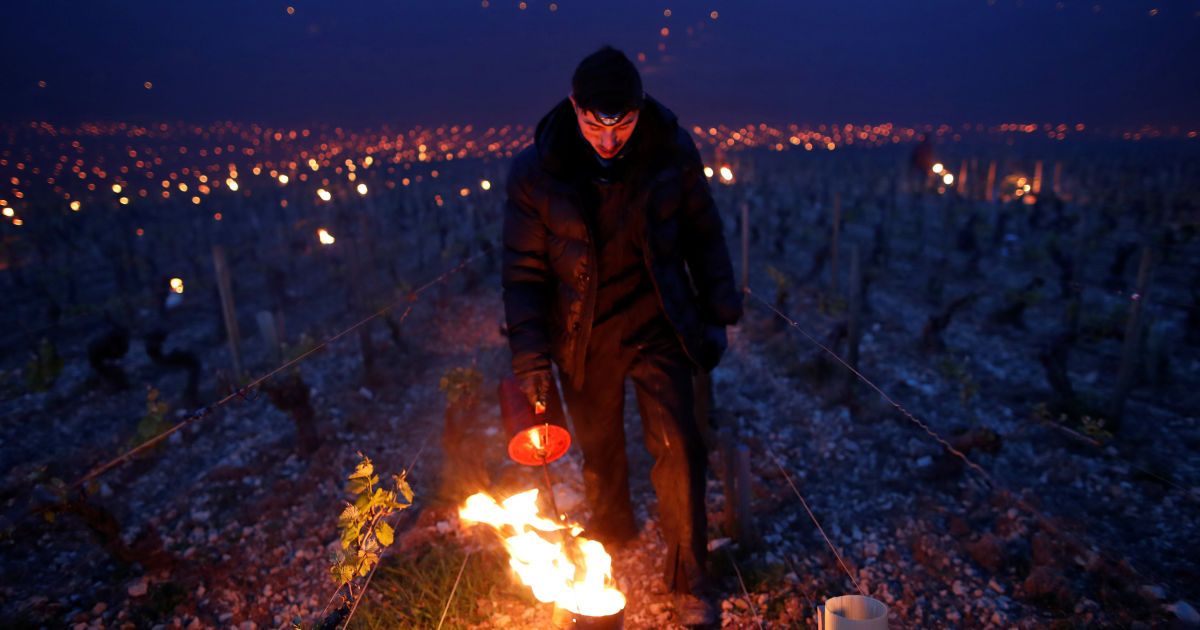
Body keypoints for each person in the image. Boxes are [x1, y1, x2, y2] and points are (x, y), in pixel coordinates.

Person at [500, 45, 741, 625]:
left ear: (639, 110)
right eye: (594, 125)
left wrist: (717, 312)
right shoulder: (538, 169)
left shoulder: (671, 153)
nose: (608, 141)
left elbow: (704, 235)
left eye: (623, 126)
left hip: (660, 320)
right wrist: (531, 358)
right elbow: (524, 272)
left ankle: (690, 579)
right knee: (602, 454)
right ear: (574, 106)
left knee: (681, 447)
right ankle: (607, 544)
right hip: (584, 333)